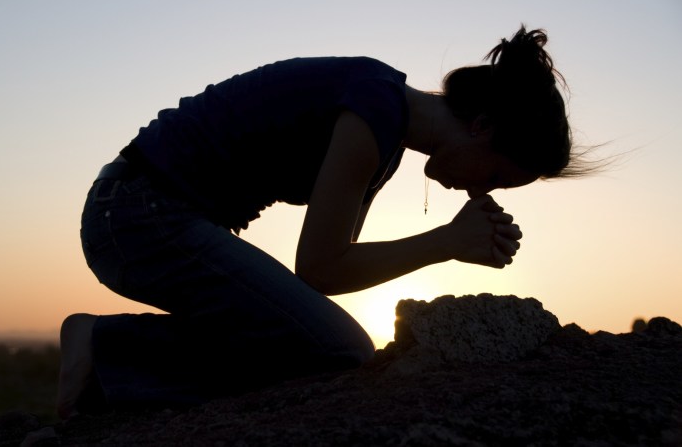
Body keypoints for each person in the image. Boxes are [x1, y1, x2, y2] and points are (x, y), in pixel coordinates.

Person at [58, 26, 580, 418]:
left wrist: (451, 242)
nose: (479, 191)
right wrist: (446, 241)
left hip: (145, 215)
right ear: (482, 126)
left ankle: (106, 370)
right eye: (495, 176)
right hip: (140, 214)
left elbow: (333, 271)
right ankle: (104, 349)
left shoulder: (383, 135)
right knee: (341, 350)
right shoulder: (374, 108)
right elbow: (320, 269)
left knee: (311, 340)